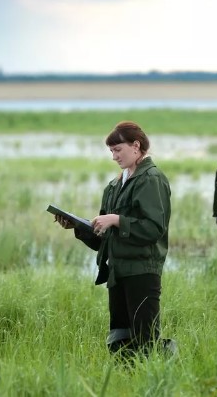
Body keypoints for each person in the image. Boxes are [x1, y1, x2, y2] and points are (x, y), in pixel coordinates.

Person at [54, 121, 175, 357]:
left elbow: (154, 229)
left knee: (146, 340)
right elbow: (105, 241)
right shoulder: (113, 186)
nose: (114, 156)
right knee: (120, 339)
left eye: (118, 149)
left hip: (142, 270)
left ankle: (164, 377)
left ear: (136, 146)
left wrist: (117, 220)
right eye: (111, 151)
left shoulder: (151, 179)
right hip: (117, 271)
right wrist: (78, 228)